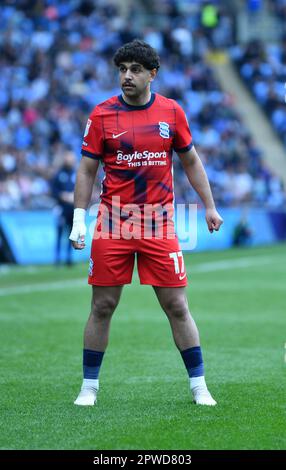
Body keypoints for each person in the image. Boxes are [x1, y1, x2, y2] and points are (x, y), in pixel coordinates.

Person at [69, 39, 223, 407]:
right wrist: (79, 217)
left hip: (159, 224)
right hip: (112, 223)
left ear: (152, 74)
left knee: (177, 306)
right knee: (102, 305)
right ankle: (89, 388)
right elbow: (88, 168)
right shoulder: (102, 115)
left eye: (135, 70)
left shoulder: (171, 112)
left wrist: (210, 206)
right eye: (122, 69)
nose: (127, 76)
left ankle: (199, 387)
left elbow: (191, 161)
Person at [51, 150, 76, 266]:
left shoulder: (76, 174)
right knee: (60, 233)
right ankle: (57, 258)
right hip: (61, 208)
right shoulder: (59, 174)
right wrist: (63, 195)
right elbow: (53, 191)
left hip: (72, 209)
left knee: (71, 233)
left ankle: (69, 258)